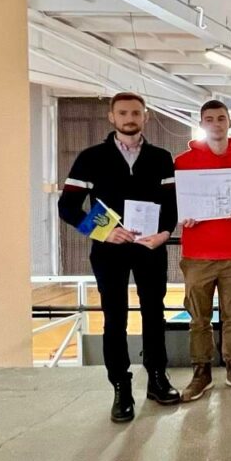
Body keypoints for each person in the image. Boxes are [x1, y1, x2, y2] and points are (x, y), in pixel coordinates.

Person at [58, 92, 180, 423]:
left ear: (145, 117)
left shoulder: (161, 157)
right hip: (109, 250)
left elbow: (171, 206)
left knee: (154, 314)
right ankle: (121, 387)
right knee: (115, 318)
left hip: (150, 248)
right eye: (123, 113)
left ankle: (157, 378)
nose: (130, 118)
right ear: (112, 117)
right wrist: (103, 232)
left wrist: (164, 234)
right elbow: (67, 207)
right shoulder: (90, 157)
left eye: (136, 113)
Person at [175, 100, 231, 401]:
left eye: (221, 118)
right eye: (209, 119)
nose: (215, 123)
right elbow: (174, 203)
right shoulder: (183, 162)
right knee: (198, 319)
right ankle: (201, 373)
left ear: (229, 123)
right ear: (201, 124)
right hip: (197, 255)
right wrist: (183, 215)